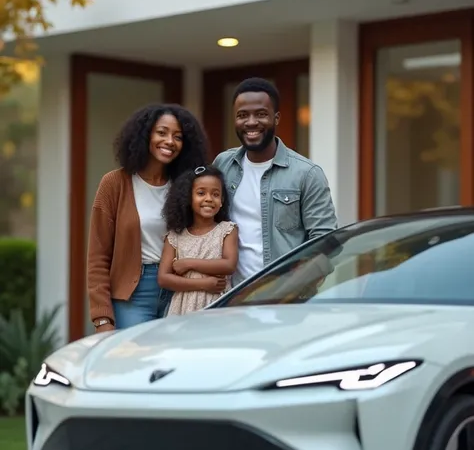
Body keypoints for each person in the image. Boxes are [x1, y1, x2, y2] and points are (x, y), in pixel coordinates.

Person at [87, 103, 208, 332]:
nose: (170, 141)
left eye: (178, 136)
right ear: (145, 135)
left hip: (180, 290)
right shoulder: (114, 184)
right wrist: (102, 318)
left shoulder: (187, 187)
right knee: (132, 362)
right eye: (161, 132)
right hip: (134, 293)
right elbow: (98, 258)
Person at [214, 77, 337, 286]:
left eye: (261, 114)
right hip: (229, 296)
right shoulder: (223, 165)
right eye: (242, 115)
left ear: (276, 118)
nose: (251, 122)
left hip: (283, 297)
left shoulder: (307, 174)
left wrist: (294, 287)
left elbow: (326, 241)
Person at [158, 165, 238, 315]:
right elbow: (163, 278)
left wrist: (188, 263)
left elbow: (229, 265)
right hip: (183, 308)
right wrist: (203, 284)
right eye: (201, 193)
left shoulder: (227, 230)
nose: (209, 199)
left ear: (221, 201)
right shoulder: (175, 236)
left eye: (215, 194)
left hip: (216, 305)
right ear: (188, 198)